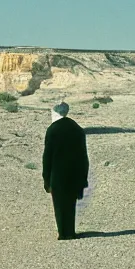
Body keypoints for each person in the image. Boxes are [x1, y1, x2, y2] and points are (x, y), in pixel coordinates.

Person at [42, 102, 89, 240]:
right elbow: (83, 156)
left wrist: (46, 178)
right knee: (71, 204)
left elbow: (47, 157)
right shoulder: (77, 129)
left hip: (57, 175)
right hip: (74, 173)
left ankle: (63, 233)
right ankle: (71, 231)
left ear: (55, 111)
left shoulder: (52, 130)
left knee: (60, 205)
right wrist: (83, 177)